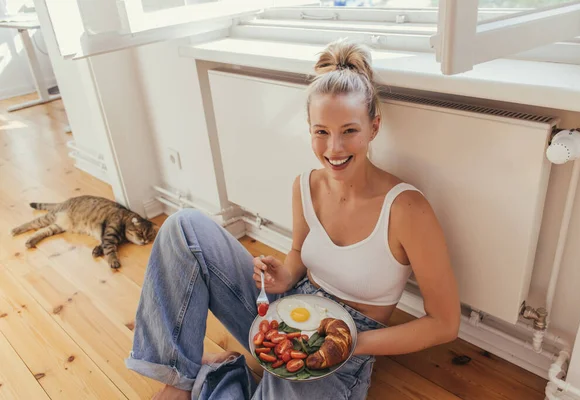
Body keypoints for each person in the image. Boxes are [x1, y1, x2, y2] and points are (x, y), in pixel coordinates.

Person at [125, 38, 461, 400]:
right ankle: (178, 379)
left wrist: (353, 343)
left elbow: (444, 323)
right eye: (321, 132)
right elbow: (299, 251)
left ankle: (221, 373)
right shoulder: (305, 185)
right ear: (310, 129)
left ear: (373, 128)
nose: (334, 149)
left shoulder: (407, 209)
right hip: (290, 308)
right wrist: (284, 275)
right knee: (183, 227)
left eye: (349, 131)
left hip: (348, 343)